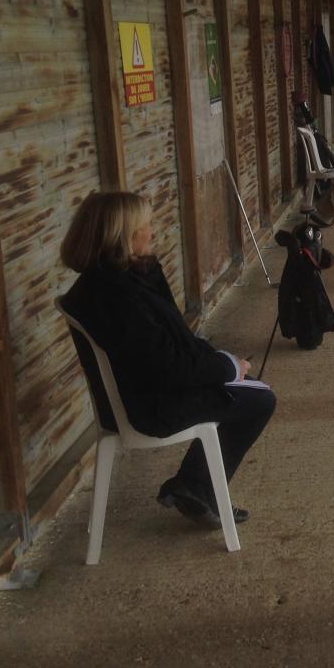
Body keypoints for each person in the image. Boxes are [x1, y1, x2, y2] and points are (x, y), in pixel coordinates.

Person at [60, 191, 276, 527]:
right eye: (145, 226)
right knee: (260, 399)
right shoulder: (116, 296)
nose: (152, 232)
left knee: (250, 387)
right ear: (123, 237)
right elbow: (167, 366)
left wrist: (220, 361)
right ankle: (196, 485)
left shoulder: (115, 280)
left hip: (147, 391)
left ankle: (194, 486)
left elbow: (173, 344)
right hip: (149, 406)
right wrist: (228, 367)